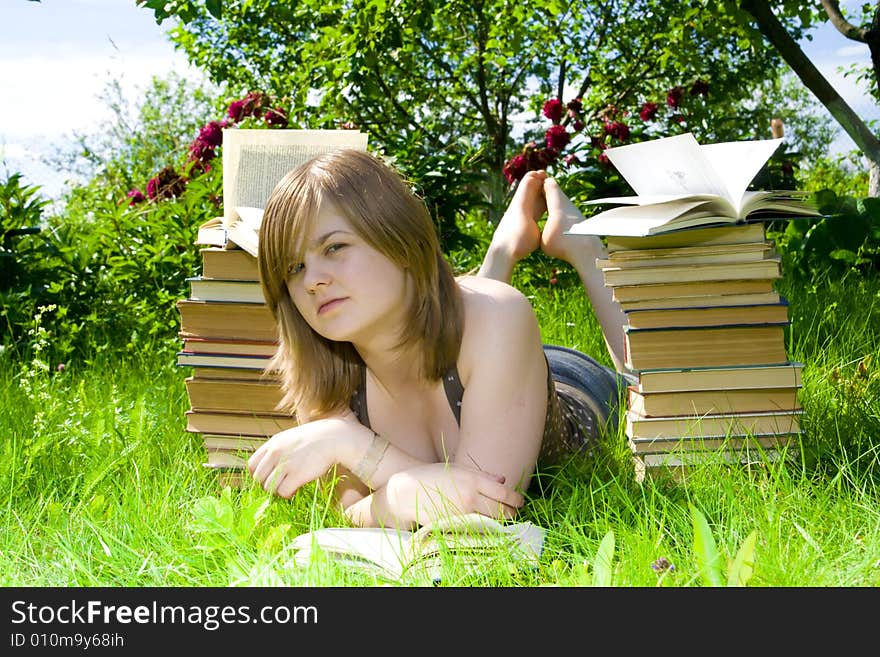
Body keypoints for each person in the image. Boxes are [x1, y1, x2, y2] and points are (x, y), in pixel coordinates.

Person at [248, 149, 632, 529]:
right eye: (294, 267)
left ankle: (583, 248)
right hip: (476, 353)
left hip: (571, 385)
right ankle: (502, 250)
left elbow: (488, 507)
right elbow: (353, 512)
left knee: (652, 392)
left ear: (397, 238)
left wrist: (355, 447)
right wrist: (397, 499)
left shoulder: (501, 315)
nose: (312, 279)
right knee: (471, 317)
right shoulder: (322, 379)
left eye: (334, 247)